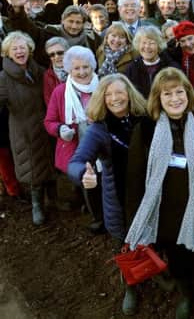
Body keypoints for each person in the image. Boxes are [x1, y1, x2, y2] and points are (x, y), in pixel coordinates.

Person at [125, 67, 194, 319]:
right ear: (157, 98)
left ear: (188, 93)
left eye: (179, 92)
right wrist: (135, 215)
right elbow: (136, 175)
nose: (174, 99)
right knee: (178, 259)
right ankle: (186, 296)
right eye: (167, 94)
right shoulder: (146, 128)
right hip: (166, 209)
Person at [67, 74, 147, 315]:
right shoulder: (99, 130)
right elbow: (76, 161)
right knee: (125, 245)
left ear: (129, 93)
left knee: (152, 237)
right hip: (119, 202)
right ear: (102, 99)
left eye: (119, 92)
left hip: (149, 194)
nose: (114, 98)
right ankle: (131, 285)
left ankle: (156, 269)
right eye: (108, 94)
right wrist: (83, 174)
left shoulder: (145, 119)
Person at [44, 46, 102, 228]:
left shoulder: (103, 86)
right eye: (76, 68)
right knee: (86, 180)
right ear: (69, 69)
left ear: (93, 66)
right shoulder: (60, 92)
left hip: (101, 143)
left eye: (86, 67)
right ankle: (97, 217)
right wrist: (60, 129)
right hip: (75, 145)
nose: (82, 72)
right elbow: (49, 121)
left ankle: (104, 212)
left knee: (104, 179)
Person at [0, 31, 54, 225]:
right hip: (23, 130)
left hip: (45, 126)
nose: (19, 51)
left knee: (48, 161)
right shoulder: (4, 78)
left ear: (29, 50)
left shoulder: (39, 71)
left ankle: (53, 199)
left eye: (22, 47)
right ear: (7, 53)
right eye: (14, 48)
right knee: (32, 165)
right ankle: (37, 204)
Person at [124, 25, 180, 98]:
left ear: (159, 45)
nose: (147, 47)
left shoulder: (172, 67)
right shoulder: (131, 69)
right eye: (143, 43)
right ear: (138, 44)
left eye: (151, 43)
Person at [43, 37, 70, 105]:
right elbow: (49, 103)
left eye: (60, 53)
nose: (56, 57)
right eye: (52, 55)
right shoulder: (47, 75)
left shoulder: (79, 68)